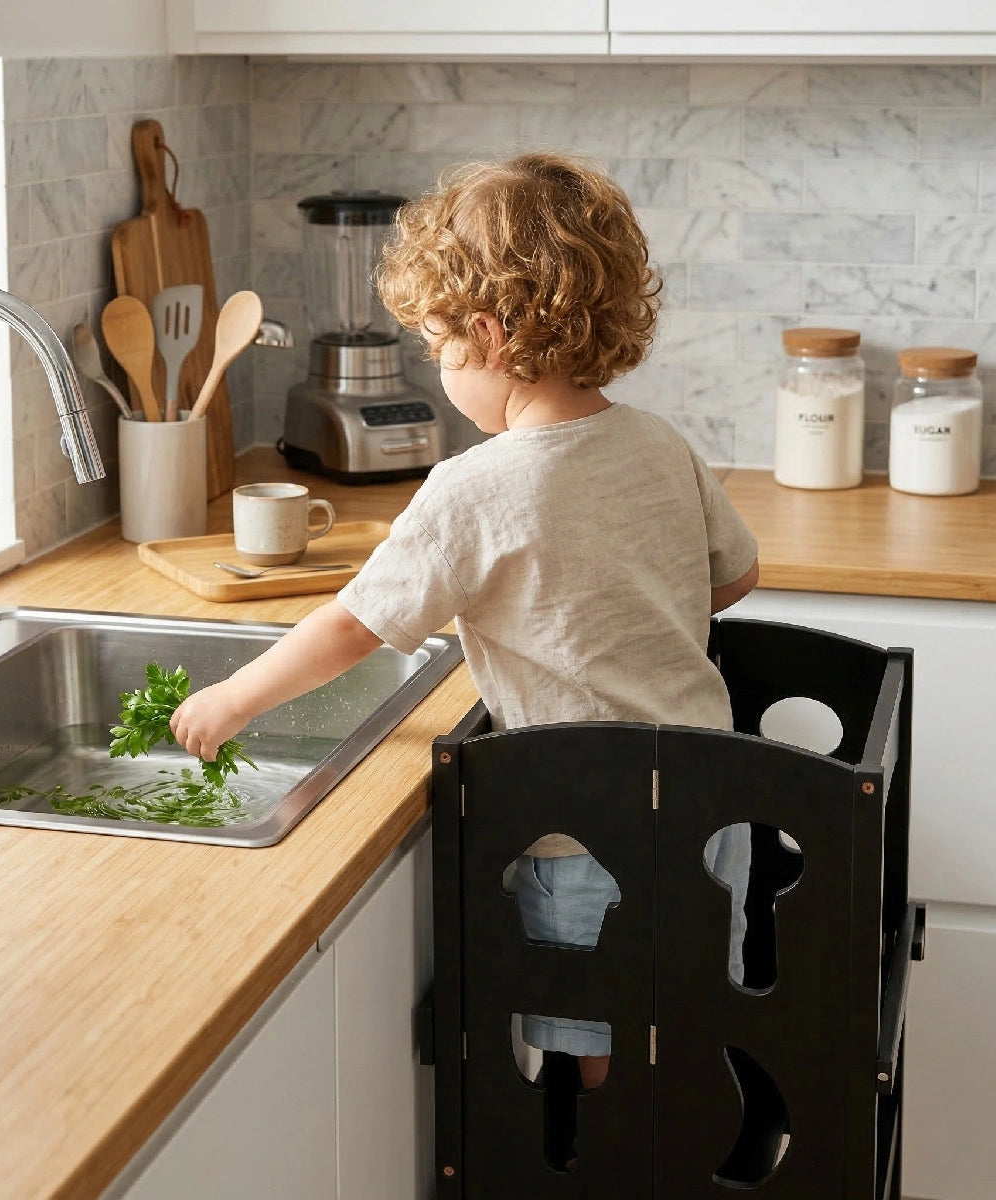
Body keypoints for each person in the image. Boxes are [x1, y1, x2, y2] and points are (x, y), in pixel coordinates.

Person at [170, 151, 759, 1164]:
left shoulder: (473, 490)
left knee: (592, 1044)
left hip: (587, 842)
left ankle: (609, 1173)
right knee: (680, 1008)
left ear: (491, 335)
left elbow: (353, 626)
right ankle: (684, 1154)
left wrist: (232, 700)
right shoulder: (664, 444)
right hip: (716, 811)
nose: (442, 373)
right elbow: (733, 579)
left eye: (441, 347)